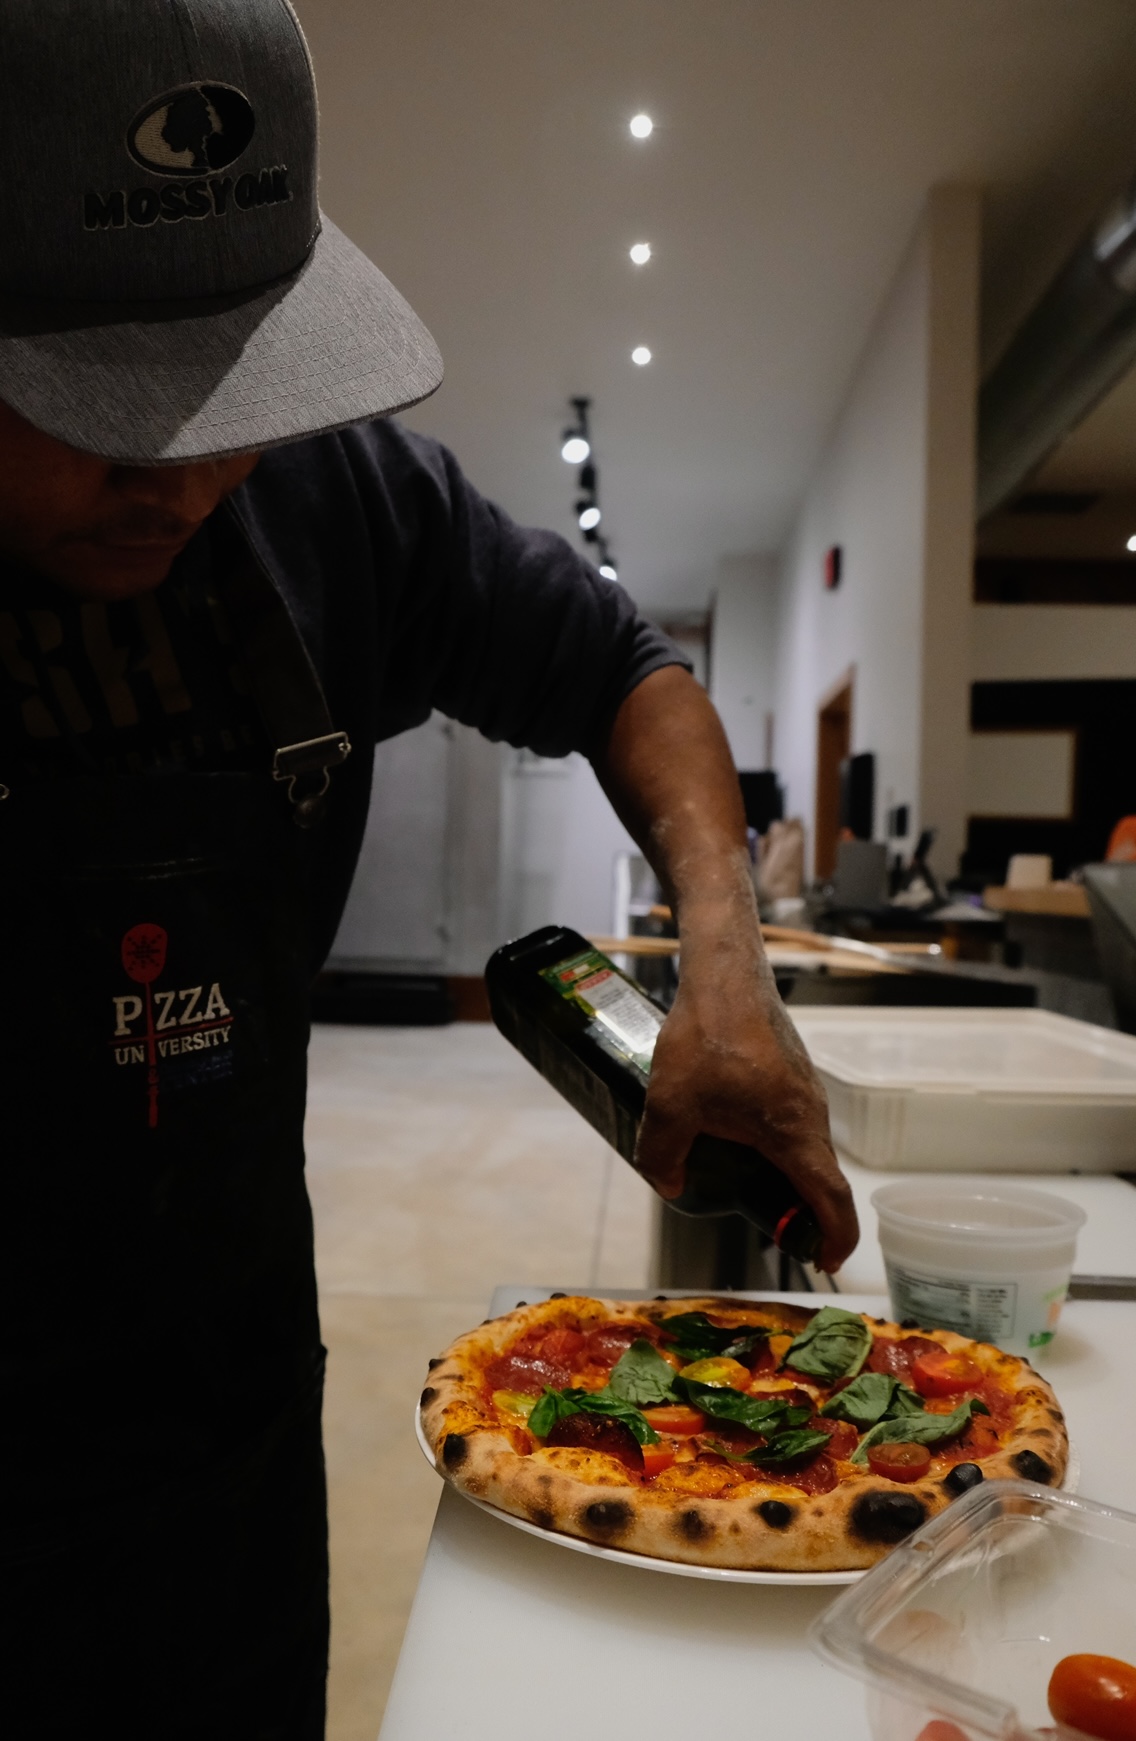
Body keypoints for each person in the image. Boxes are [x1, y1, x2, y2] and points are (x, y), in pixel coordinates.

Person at [0, 1, 857, 1734]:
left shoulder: (337, 505)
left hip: (224, 1414)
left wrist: (726, 960)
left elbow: (630, 671)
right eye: (101, 409)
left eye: (219, 401)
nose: (172, 476)